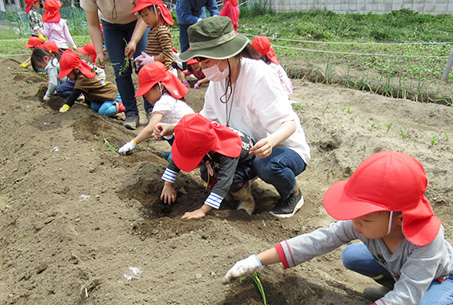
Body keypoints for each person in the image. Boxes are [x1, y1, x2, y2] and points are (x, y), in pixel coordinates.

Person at [223, 151, 453, 305]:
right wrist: (258, 259)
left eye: (365, 217)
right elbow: (320, 240)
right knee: (352, 256)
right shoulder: (367, 223)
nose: (355, 222)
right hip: (402, 269)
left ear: (399, 216)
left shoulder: (427, 240)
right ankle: (390, 286)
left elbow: (411, 291)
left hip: (443, 278)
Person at [177, 16, 310, 218]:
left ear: (225, 55)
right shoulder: (218, 80)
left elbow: (289, 123)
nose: (202, 69)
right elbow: (206, 119)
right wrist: (174, 128)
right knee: (210, 167)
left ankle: (292, 194)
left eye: (206, 61)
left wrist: (271, 141)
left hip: (281, 148)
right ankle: (243, 195)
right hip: (246, 149)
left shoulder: (260, 76)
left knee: (267, 165)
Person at [154, 113, 256, 218]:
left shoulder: (228, 149)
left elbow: (225, 181)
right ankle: (223, 195)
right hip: (217, 158)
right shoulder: (199, 134)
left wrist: (202, 210)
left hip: (247, 164)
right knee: (205, 173)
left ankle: (246, 200)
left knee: (234, 179)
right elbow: (178, 156)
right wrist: (168, 185)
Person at [80, 0, 152, 130]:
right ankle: (131, 113)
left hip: (138, 19)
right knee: (120, 69)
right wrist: (99, 52)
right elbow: (92, 24)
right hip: (111, 26)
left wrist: (134, 41)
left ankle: (151, 109)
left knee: (144, 66)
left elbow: (145, 14)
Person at [118, 62, 193, 155]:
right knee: (161, 129)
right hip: (189, 136)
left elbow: (150, 128)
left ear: (160, 86)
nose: (145, 96)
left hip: (191, 140)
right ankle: (176, 152)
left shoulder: (163, 102)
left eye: (147, 92)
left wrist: (132, 144)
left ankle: (179, 154)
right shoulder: (170, 97)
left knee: (172, 159)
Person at [57, 50, 125, 117]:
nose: (67, 76)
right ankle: (113, 109)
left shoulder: (82, 78)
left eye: (68, 74)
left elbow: (75, 94)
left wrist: (66, 106)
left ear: (76, 70)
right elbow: (88, 90)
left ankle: (123, 106)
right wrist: (87, 103)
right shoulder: (84, 72)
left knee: (102, 112)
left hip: (112, 95)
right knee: (93, 107)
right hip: (104, 97)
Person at [131, 0, 176, 75]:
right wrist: (145, 58)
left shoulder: (162, 31)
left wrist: (151, 59)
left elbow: (167, 55)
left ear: (157, 11)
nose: (145, 19)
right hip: (157, 70)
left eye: (146, 15)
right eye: (142, 16)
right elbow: (155, 51)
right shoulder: (152, 30)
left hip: (165, 73)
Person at [21, 0, 46, 68]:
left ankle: (26, 63)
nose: (39, 5)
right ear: (33, 4)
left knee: (38, 52)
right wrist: (39, 34)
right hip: (37, 35)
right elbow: (35, 25)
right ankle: (28, 64)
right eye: (38, 3)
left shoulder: (34, 12)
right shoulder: (32, 13)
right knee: (38, 52)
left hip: (38, 34)